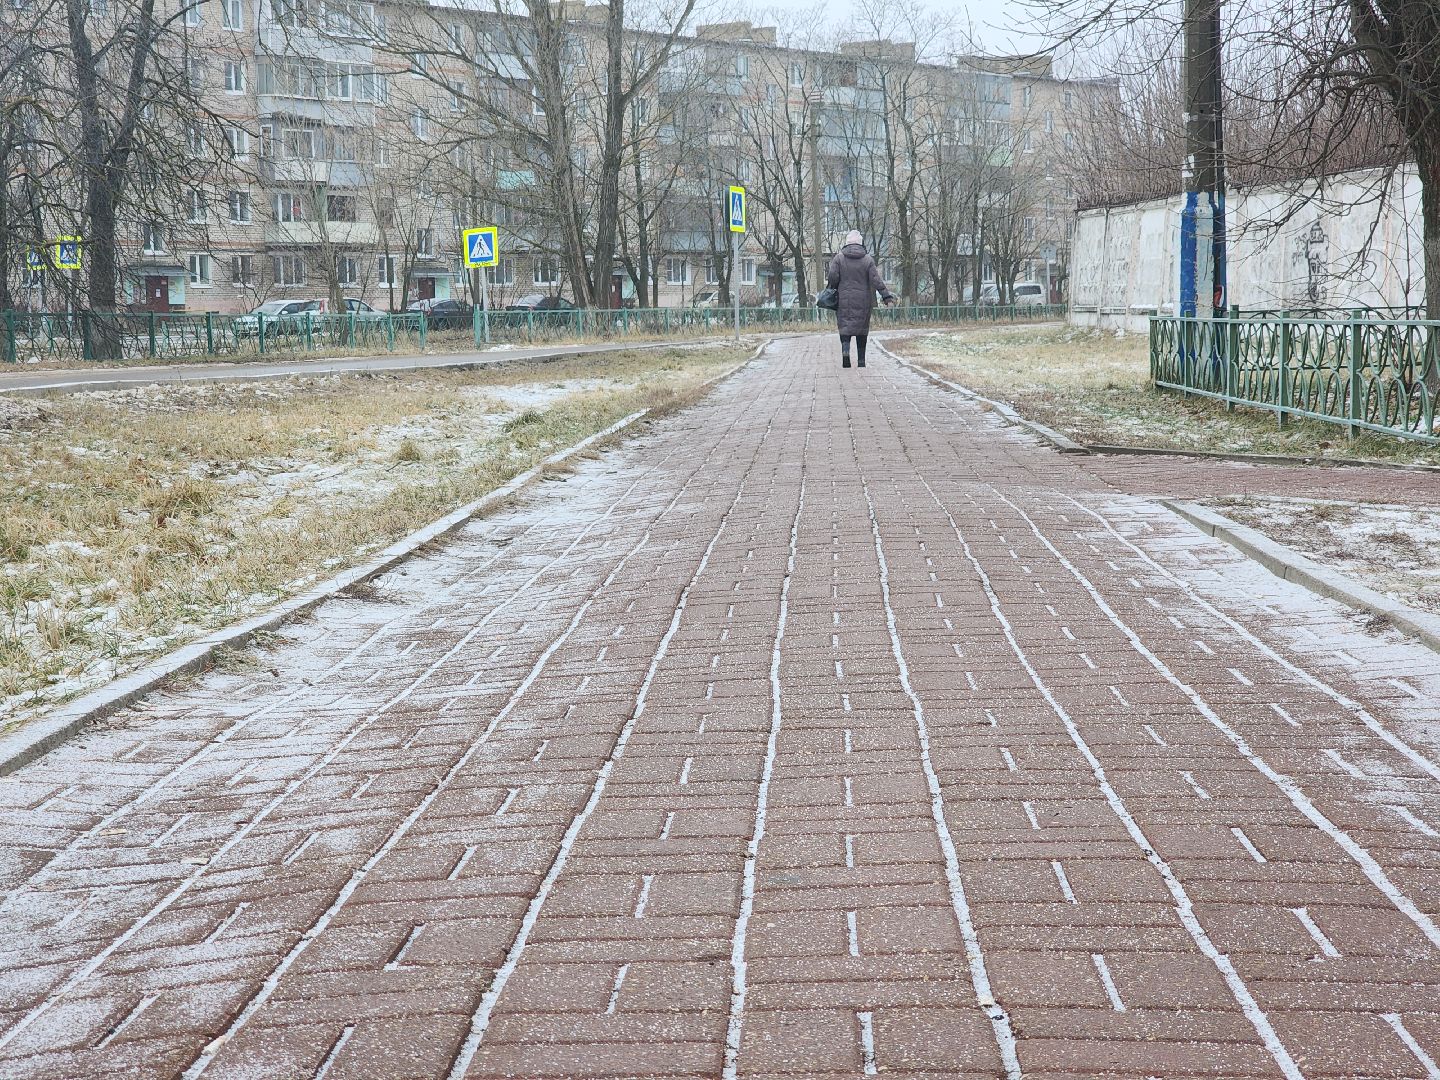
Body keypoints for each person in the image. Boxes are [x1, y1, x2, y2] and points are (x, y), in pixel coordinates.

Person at [826, 230, 896, 368]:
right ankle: (861, 361)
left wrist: (832, 288)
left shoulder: (839, 259)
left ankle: (845, 351)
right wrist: (886, 297)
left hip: (844, 298)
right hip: (863, 299)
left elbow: (833, 277)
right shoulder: (867, 260)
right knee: (862, 329)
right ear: (860, 243)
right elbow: (876, 280)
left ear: (847, 243)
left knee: (845, 326)